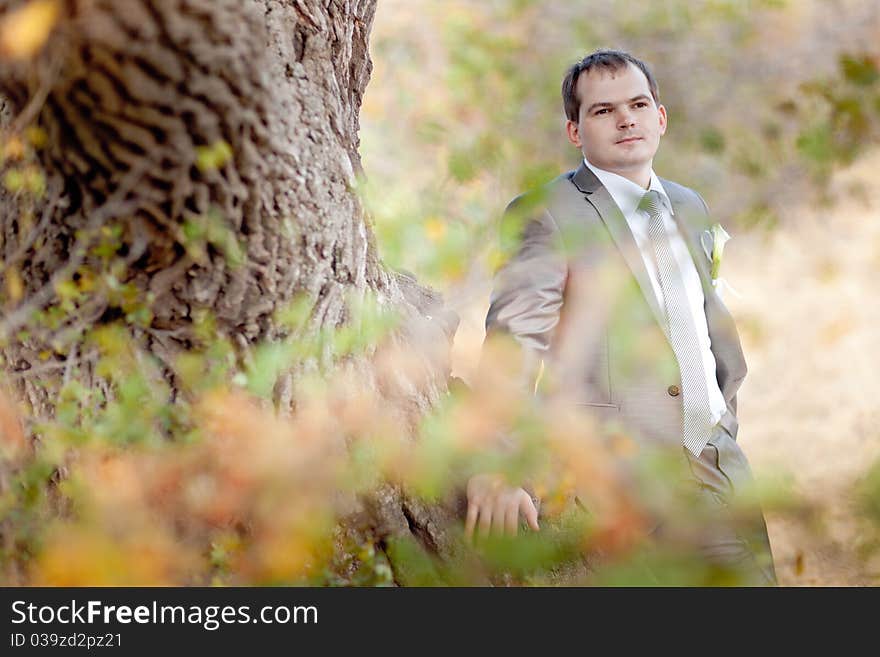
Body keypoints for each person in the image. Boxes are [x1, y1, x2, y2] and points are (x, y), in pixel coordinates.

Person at [464, 49, 776, 585]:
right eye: (603, 110)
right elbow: (516, 339)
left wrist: (722, 418)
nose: (626, 118)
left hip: (718, 463)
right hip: (618, 481)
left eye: (637, 103)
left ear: (661, 117)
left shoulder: (688, 205)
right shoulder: (547, 212)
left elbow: (704, 323)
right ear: (575, 132)